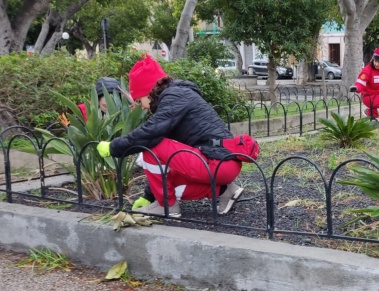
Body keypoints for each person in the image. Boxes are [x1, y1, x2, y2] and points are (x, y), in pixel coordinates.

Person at [96, 54, 260, 217]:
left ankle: (167, 206)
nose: (142, 107)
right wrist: (148, 196)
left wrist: (113, 147)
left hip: (217, 161)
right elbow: (162, 164)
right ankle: (225, 191)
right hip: (221, 162)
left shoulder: (173, 97)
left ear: (148, 91)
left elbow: (150, 134)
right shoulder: (177, 96)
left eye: (139, 101)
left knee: (150, 146)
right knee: (170, 185)